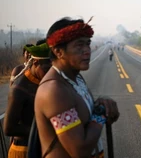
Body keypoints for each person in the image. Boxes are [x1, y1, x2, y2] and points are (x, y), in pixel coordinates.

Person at [34, 17, 120, 158]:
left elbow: (87, 116)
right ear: (58, 52)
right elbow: (79, 150)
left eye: (87, 44)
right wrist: (100, 115)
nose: (87, 50)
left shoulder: (76, 78)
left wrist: (102, 104)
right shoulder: (54, 90)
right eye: (79, 45)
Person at [3, 40, 52, 158]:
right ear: (35, 62)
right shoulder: (19, 89)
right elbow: (8, 128)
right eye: (46, 70)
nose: (49, 74)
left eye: (52, 70)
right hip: (24, 150)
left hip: (44, 148)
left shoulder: (46, 82)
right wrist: (44, 131)